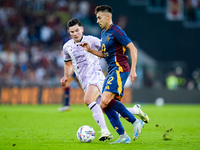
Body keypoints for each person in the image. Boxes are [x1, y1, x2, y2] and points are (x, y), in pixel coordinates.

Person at [80, 5, 146, 144]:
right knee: (104, 106)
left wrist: (133, 69)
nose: (97, 21)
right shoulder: (104, 33)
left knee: (104, 100)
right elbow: (104, 54)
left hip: (120, 68)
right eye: (96, 18)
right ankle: (123, 136)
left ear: (108, 17)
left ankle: (136, 122)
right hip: (111, 69)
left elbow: (132, 48)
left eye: (99, 17)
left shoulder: (116, 31)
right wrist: (89, 50)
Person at [60, 18, 113, 141]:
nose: (75, 33)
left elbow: (106, 51)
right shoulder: (67, 47)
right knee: (108, 109)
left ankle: (105, 131)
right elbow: (68, 64)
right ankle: (135, 112)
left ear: (82, 29)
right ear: (69, 32)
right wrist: (66, 76)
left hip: (96, 75)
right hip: (85, 82)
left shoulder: (92, 40)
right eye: (72, 32)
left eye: (77, 30)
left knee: (88, 100)